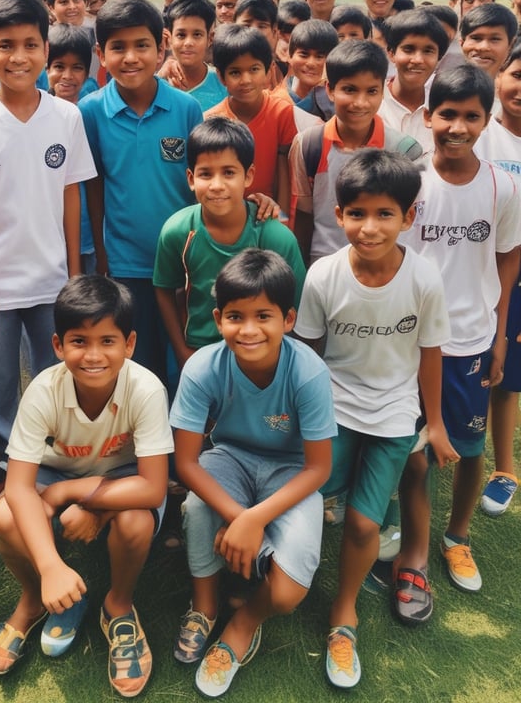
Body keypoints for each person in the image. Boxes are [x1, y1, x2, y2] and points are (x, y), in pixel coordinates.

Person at [294, 148, 452, 687]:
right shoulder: (322, 275)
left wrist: (434, 423)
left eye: (386, 214)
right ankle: (280, 576)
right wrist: (301, 416)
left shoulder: (425, 279)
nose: (370, 226)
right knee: (310, 498)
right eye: (357, 213)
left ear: (409, 217)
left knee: (363, 521)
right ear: (338, 215)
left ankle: (344, 612)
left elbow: (430, 352)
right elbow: (309, 351)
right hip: (333, 405)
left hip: (393, 412)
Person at [0, 274, 172, 697]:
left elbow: (154, 489)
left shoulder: (146, 389)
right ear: (57, 346)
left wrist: (75, 495)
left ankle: (118, 606)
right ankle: (35, 598)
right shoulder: (42, 391)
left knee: (136, 524)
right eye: (79, 341)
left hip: (121, 478)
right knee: (4, 517)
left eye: (108, 341)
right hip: (54, 472)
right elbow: (16, 489)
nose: (93, 355)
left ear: (130, 344)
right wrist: (50, 566)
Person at [170, 248, 335, 697]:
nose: (248, 330)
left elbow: (320, 467)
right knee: (198, 507)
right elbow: (185, 462)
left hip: (292, 472)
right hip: (229, 459)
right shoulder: (203, 366)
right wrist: (238, 515)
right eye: (235, 316)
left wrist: (253, 518)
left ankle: (245, 619)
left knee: (285, 594)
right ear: (218, 317)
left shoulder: (308, 373)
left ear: (288, 318)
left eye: (264, 316)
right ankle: (205, 604)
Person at [0, 0, 95, 447]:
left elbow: (72, 198)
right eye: (6, 45)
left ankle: (50, 452)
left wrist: (73, 272)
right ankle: (5, 456)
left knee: (53, 379)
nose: (19, 57)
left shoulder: (66, 117)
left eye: (31, 44)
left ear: (46, 50)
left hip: (52, 280)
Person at [396, 64, 521, 617]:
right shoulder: (410, 182)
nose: (457, 125)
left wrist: (498, 336)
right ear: (428, 118)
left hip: (470, 343)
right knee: (415, 453)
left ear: (485, 119)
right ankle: (415, 553)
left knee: (470, 449)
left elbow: (507, 258)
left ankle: (458, 536)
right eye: (446, 114)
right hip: (408, 342)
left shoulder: (504, 185)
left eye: (471, 115)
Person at [79, 0, 203, 383]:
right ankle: (147, 439)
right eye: (118, 47)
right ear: (101, 53)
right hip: (125, 262)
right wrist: (101, 253)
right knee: (141, 359)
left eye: (141, 45)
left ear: (161, 45)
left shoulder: (186, 109)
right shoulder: (91, 111)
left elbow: (201, 180)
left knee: (188, 354)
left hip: (184, 259)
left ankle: (190, 435)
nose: (130, 57)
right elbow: (94, 187)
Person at [153, 117, 305, 365]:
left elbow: (296, 305)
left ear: (248, 176)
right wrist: (181, 351)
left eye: (228, 173)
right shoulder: (177, 232)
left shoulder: (275, 237)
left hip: (263, 354)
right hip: (200, 352)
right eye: (205, 174)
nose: (216, 185)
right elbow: (164, 288)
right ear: (191, 179)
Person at [290, 39, 422, 266]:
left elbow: (408, 222)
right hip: (324, 267)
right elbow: (304, 219)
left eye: (371, 91)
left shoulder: (404, 150)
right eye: (349, 90)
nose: (360, 103)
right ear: (330, 90)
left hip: (384, 270)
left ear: (382, 92)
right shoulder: (308, 145)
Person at [474, 41, 521, 516]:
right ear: (500, 77)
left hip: (516, 270)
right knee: (473, 359)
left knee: (507, 374)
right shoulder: (482, 131)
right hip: (477, 260)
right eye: (518, 75)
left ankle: (504, 466)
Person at [206, 23, 297, 212]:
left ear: (269, 70)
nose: (246, 80)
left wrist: (282, 220)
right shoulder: (212, 120)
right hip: (226, 213)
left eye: (254, 69)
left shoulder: (282, 112)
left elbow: (285, 174)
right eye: (235, 72)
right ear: (221, 77)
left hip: (269, 216)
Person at [46, 23, 98, 274]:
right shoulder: (37, 117)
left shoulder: (91, 114)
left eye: (76, 67)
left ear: (87, 73)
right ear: (46, 69)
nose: (67, 75)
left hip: (88, 233)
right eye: (58, 67)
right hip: (48, 234)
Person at [378, 9, 450, 159]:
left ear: (439, 59)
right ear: (391, 53)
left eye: (428, 51)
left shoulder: (446, 108)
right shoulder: (372, 103)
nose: (417, 59)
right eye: (408, 49)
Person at [164, 0, 227, 111]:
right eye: (181, 35)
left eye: (197, 35)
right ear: (170, 38)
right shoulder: (158, 84)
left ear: (210, 39)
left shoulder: (223, 85)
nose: (188, 42)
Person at [279, 18, 338, 122]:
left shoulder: (339, 103)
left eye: (320, 56)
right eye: (304, 55)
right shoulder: (276, 101)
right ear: (289, 56)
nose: (311, 63)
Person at [460, 2, 517, 81]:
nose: (483, 47)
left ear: (511, 45)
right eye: (476, 38)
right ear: (462, 42)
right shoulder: (444, 89)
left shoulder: (514, 91)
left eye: (495, 39)